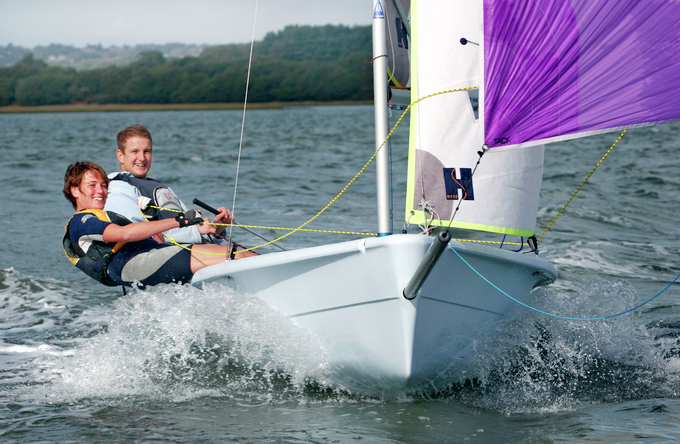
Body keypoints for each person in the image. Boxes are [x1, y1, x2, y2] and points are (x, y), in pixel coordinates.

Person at [62, 162, 247, 288]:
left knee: (229, 252)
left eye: (103, 185)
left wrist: (150, 218)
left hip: (148, 260)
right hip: (136, 265)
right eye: (92, 185)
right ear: (75, 190)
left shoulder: (108, 215)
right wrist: (179, 221)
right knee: (235, 253)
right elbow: (124, 234)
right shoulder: (81, 221)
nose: (100, 191)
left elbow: (157, 241)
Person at [104, 124, 233, 246]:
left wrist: (217, 227)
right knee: (238, 255)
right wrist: (199, 230)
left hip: (187, 251)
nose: (142, 158)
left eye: (147, 151)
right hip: (156, 257)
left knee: (238, 254)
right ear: (121, 156)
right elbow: (140, 234)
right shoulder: (117, 188)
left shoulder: (161, 187)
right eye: (135, 151)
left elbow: (195, 231)